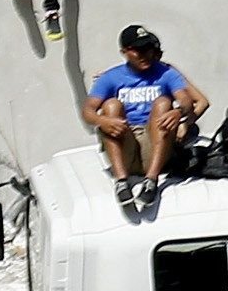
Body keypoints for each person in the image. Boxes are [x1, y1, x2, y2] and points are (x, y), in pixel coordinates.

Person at [83, 23, 203, 215]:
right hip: (126, 140)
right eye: (137, 51)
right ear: (124, 52)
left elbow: (189, 101)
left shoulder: (165, 73)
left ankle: (151, 182)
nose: (144, 55)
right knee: (111, 106)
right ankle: (121, 182)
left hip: (154, 142)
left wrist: (179, 113)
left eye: (147, 49)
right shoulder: (111, 77)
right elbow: (88, 111)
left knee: (163, 103)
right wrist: (104, 121)